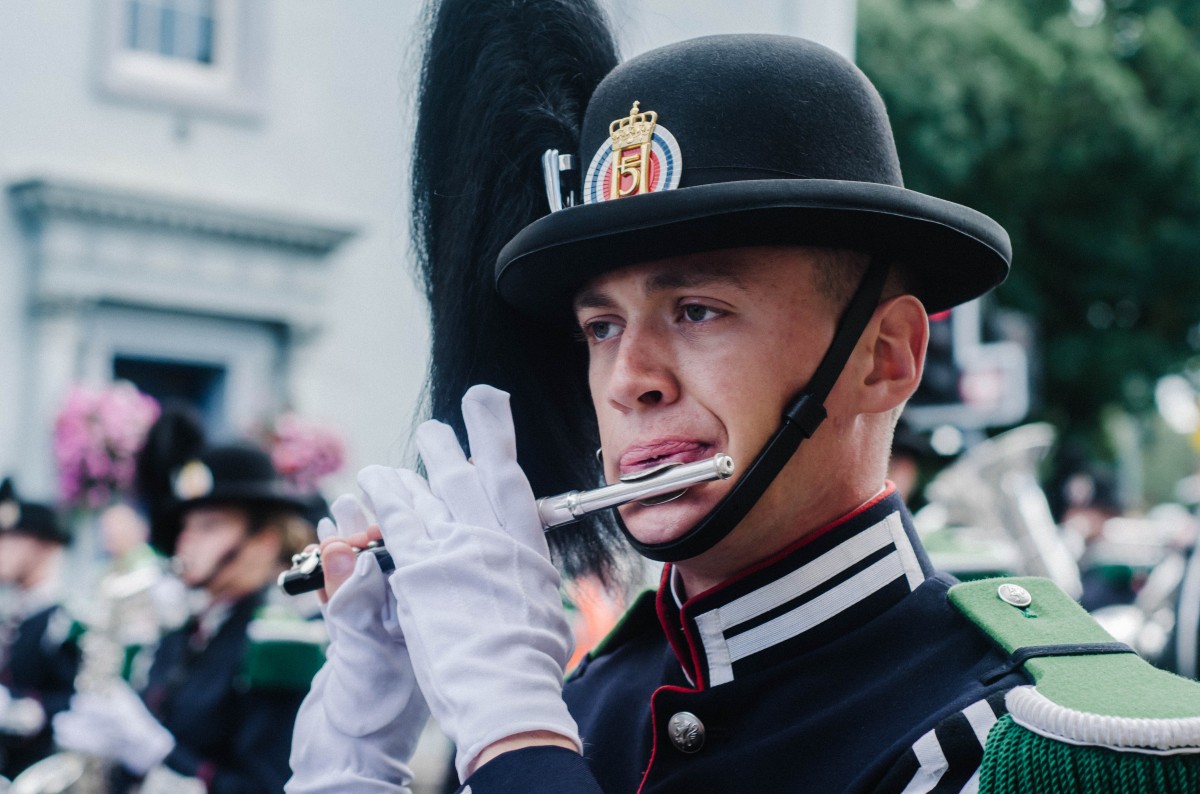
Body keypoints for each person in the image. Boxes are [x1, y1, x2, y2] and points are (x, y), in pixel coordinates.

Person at [289, 1, 1200, 791]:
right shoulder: (594, 697)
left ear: (885, 356)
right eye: (600, 326)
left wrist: (515, 735)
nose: (628, 377)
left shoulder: (1010, 746)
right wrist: (355, 756)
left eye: (696, 310)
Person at [53, 442, 324, 792]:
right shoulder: (183, 627)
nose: (186, 541)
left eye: (209, 526)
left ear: (265, 541)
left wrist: (158, 754)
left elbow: (265, 786)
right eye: (187, 526)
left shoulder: (281, 637)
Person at [0, 478, 79, 781]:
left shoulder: (67, 618)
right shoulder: (12, 614)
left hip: (38, 772)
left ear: (47, 545)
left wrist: (29, 709)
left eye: (12, 539)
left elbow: (79, 699)